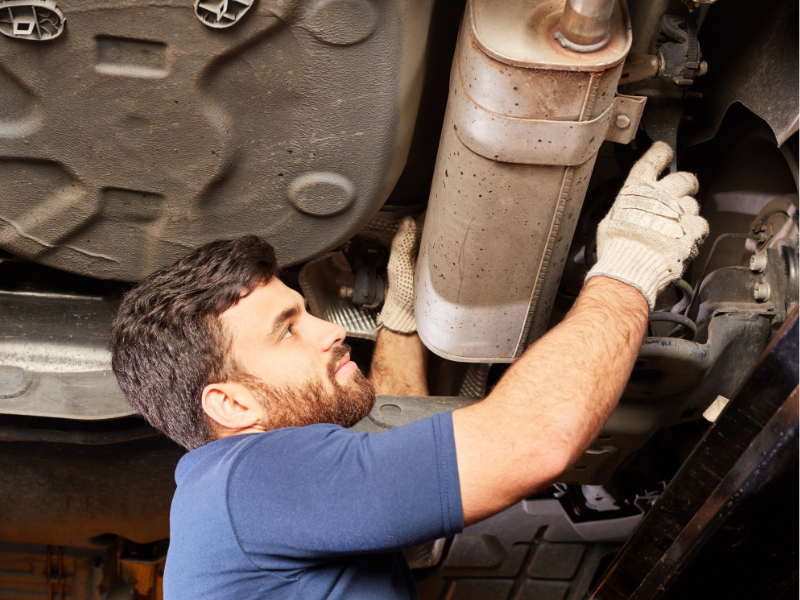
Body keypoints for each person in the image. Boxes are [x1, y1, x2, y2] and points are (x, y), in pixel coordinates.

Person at [109, 142, 708, 599]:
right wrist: (629, 266)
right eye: (289, 328)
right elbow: (531, 442)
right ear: (233, 405)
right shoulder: (251, 483)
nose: (331, 328)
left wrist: (401, 321)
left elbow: (385, 442)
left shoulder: (232, 497)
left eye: (307, 312)